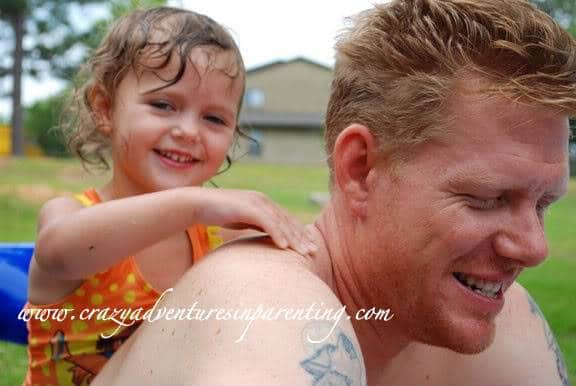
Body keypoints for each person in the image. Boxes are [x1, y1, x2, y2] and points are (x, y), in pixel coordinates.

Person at [93, 0, 574, 385]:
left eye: (543, 204)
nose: (534, 248)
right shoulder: (269, 311)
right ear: (360, 169)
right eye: (486, 198)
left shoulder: (508, 323)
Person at [22, 7, 315, 386]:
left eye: (214, 119)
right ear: (105, 108)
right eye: (163, 105)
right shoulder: (71, 216)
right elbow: (58, 253)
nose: (189, 131)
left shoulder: (216, 243)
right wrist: (195, 205)